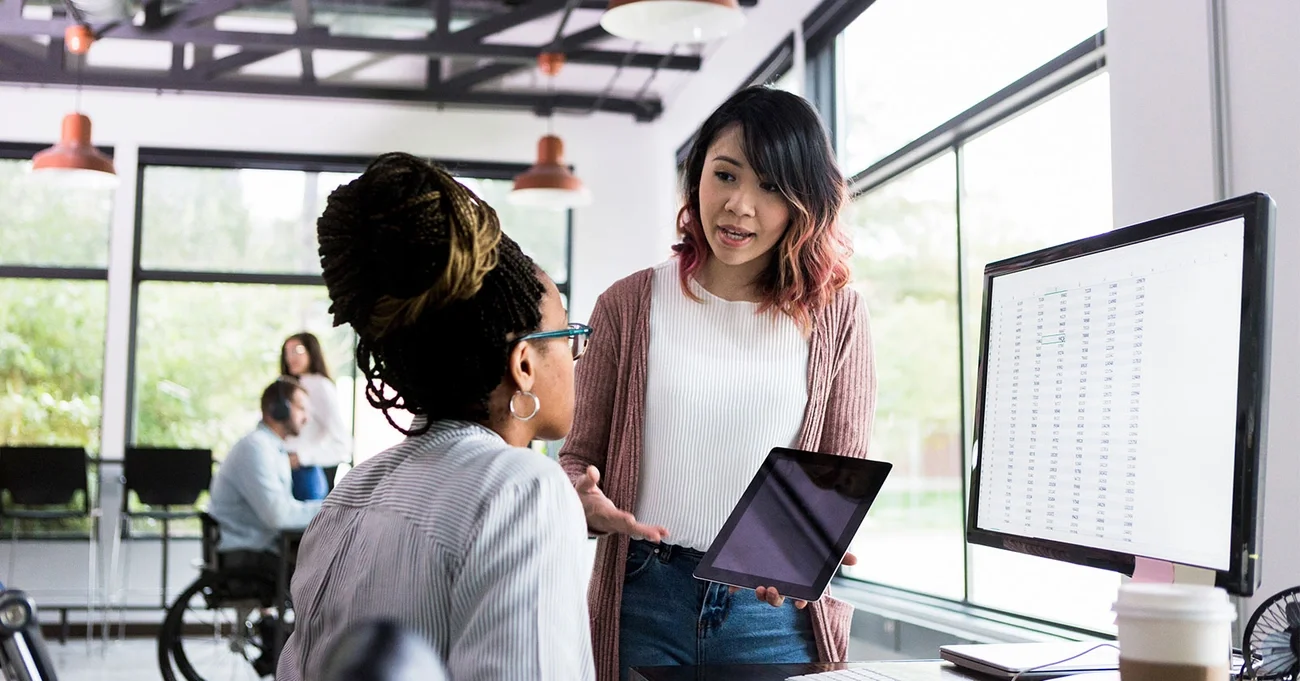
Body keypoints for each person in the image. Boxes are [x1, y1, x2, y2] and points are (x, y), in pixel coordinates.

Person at [558, 85, 878, 681]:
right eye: (725, 175)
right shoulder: (628, 304)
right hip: (643, 597)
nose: (740, 206)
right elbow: (579, 459)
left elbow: (839, 471)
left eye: (771, 187)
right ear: (697, 176)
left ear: (805, 201)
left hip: (769, 613)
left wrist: (811, 546)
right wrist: (583, 500)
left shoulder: (838, 315)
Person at [276, 152, 596, 681]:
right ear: (523, 364)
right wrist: (545, 512)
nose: (577, 355)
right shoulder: (524, 490)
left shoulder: (352, 492)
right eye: (569, 335)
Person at [208, 376, 323, 571]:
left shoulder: (271, 448)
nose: (307, 418)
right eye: (301, 409)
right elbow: (278, 516)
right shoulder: (255, 447)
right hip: (247, 555)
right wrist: (332, 510)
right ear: (279, 409)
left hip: (259, 549)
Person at [281, 331, 352, 498]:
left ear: (311, 352)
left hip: (304, 471)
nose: (291, 357)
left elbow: (342, 443)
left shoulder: (320, 386)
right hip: (284, 465)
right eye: (287, 352)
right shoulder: (288, 385)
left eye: (297, 350)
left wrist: (302, 457)